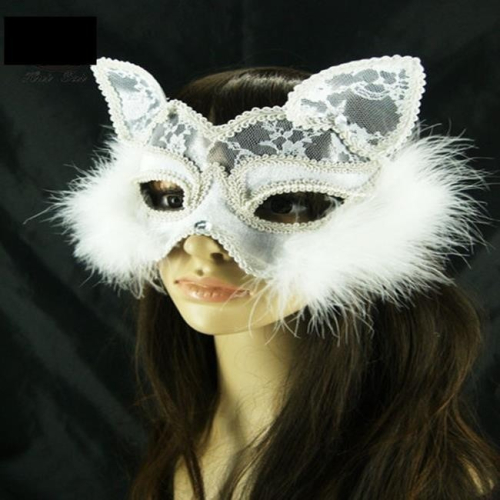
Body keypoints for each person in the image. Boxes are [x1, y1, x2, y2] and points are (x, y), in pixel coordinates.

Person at [47, 56, 500, 499]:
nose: (201, 245)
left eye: (281, 203)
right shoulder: (186, 433)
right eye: (170, 198)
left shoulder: (422, 481)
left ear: (368, 228)